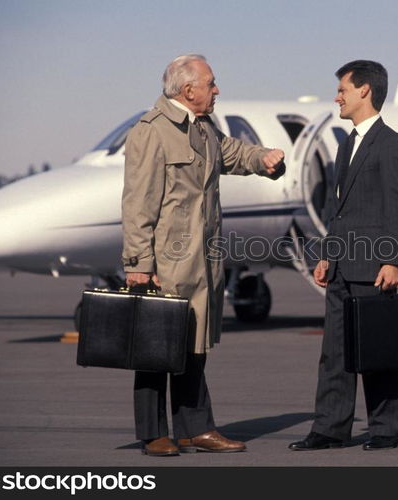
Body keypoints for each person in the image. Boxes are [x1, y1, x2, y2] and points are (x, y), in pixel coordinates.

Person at [122, 54, 285, 456]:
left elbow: (231, 154)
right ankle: (154, 433)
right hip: (165, 263)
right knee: (156, 348)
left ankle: (197, 428)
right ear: (187, 90)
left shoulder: (204, 129)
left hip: (203, 261)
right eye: (211, 83)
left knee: (193, 346)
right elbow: (138, 204)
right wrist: (139, 265)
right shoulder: (151, 132)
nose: (217, 90)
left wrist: (262, 159)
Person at [289, 60, 398, 451]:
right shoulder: (346, 144)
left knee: (378, 352)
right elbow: (337, 209)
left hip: (374, 267)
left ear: (365, 91)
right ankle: (329, 429)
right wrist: (327, 255)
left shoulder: (392, 144)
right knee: (334, 355)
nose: (336, 97)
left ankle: (384, 430)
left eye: (342, 89)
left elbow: (396, 206)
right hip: (342, 266)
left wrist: (392, 260)